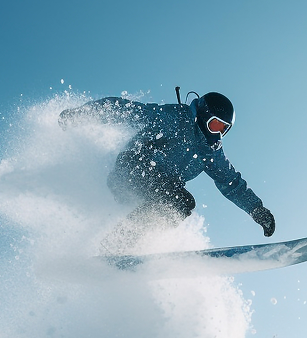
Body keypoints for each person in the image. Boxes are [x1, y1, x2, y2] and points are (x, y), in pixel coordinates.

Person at [59, 90, 275, 253]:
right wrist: (81, 115)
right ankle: (118, 241)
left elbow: (231, 183)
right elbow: (126, 110)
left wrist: (257, 210)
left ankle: (124, 244)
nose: (217, 135)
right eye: (215, 125)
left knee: (181, 205)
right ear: (203, 114)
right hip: (133, 169)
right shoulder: (175, 119)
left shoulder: (211, 153)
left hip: (155, 188)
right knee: (179, 201)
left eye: (223, 130)